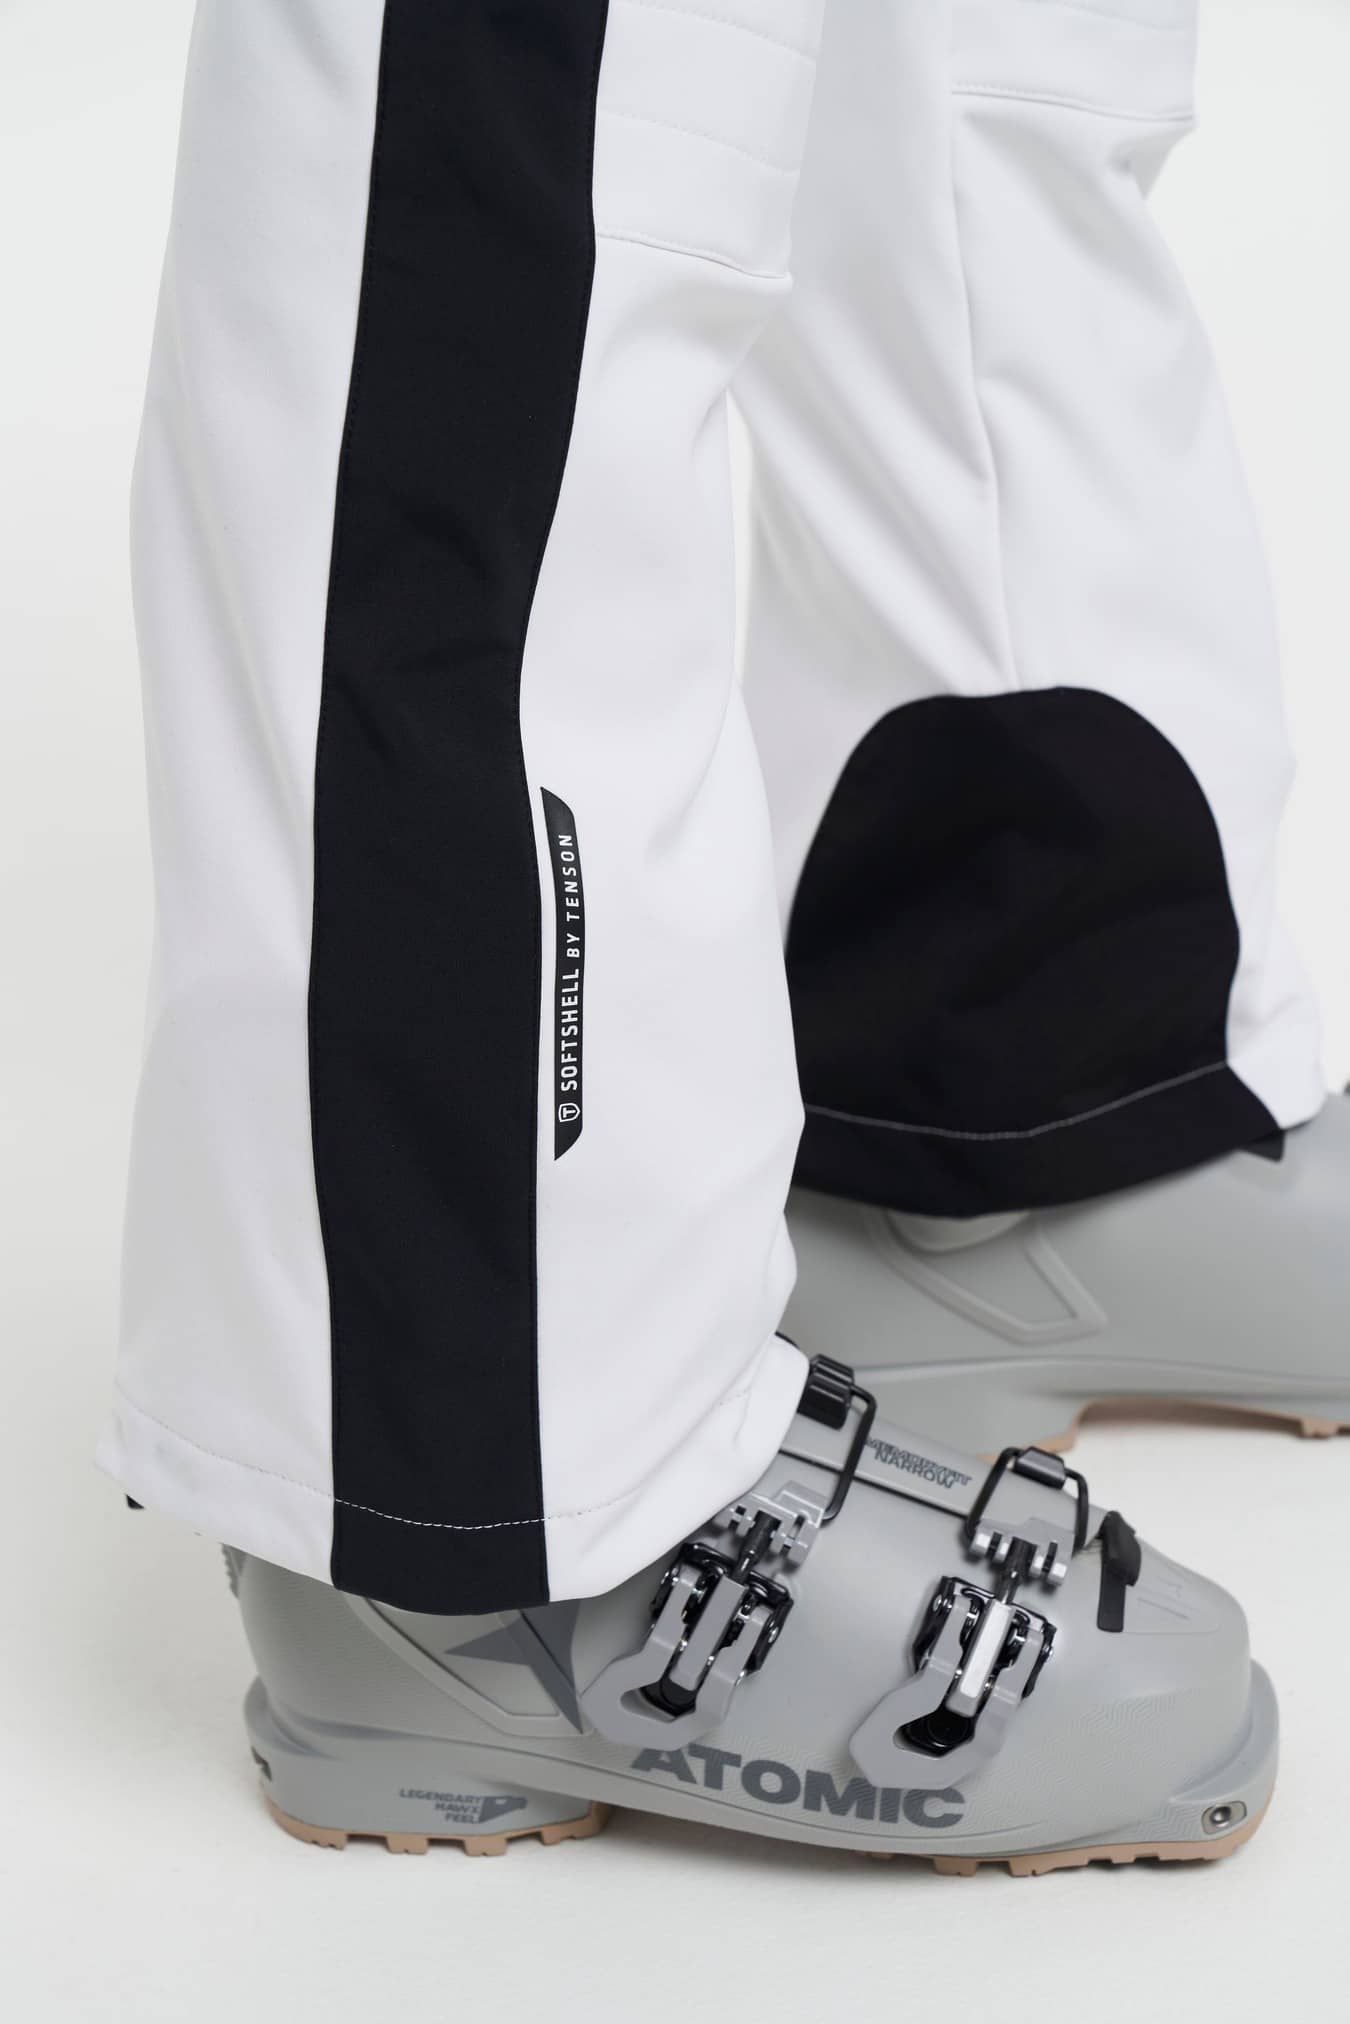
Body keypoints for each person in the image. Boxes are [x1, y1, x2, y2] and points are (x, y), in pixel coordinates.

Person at [102, 0, 1343, 1872]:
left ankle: (1035, 1089)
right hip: (491, 1429)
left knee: (983, 67)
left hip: (1026, 1010)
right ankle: (480, 1504)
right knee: (512, 99)